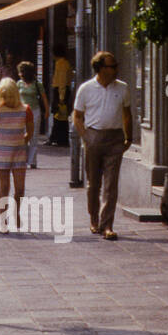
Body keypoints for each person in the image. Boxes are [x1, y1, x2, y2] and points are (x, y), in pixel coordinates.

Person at [73, 51, 133, 240]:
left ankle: (107, 224)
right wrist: (86, 136)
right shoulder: (86, 88)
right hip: (94, 136)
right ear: (100, 68)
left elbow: (127, 114)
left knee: (111, 184)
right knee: (93, 183)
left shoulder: (122, 88)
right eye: (112, 66)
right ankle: (94, 219)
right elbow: (77, 116)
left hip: (115, 138)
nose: (116, 69)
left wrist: (128, 138)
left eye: (116, 66)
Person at [0, 77, 35, 231]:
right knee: (4, 186)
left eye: (9, 95)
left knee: (20, 188)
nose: (6, 99)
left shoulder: (25, 109)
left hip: (18, 151)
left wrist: (22, 140)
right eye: (3, 95)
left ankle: (17, 212)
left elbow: (30, 131)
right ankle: (3, 219)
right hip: (2, 151)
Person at [16, 62, 51, 168]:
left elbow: (44, 97)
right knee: (23, 136)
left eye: (21, 72)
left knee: (33, 136)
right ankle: (24, 159)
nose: (19, 74)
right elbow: (16, 97)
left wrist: (47, 110)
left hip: (35, 111)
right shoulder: (19, 84)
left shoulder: (37, 84)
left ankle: (32, 161)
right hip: (22, 112)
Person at [50, 44, 73, 146]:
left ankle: (60, 138)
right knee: (60, 115)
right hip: (61, 90)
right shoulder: (64, 63)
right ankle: (58, 138)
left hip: (60, 91)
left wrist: (61, 96)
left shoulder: (61, 64)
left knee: (60, 115)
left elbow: (62, 81)